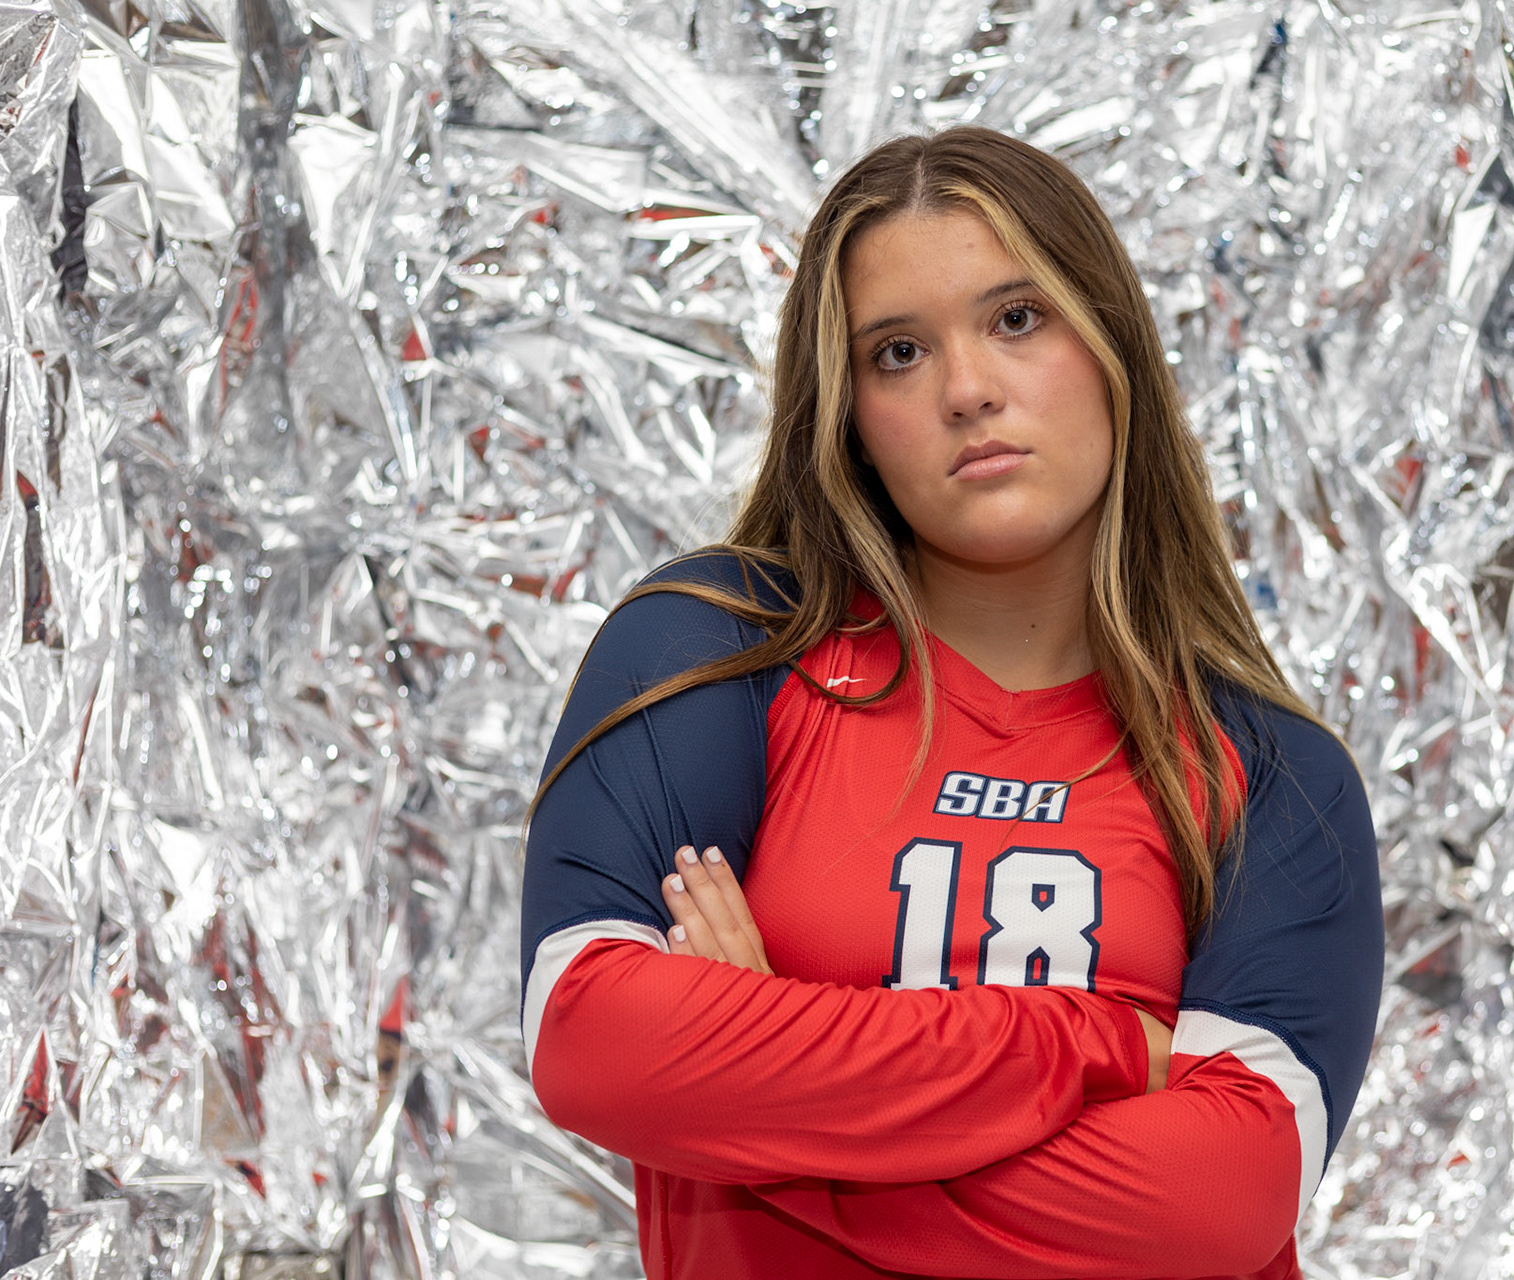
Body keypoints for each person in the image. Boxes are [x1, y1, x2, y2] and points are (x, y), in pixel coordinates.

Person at [518, 126, 1383, 1279]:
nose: (967, 390)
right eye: (898, 353)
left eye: (1017, 318)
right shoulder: (717, 650)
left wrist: (760, 1074)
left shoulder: (1267, 769)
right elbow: (595, 1042)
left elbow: (1213, 1205)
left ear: (1111, 342)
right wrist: (1097, 1040)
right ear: (851, 412)